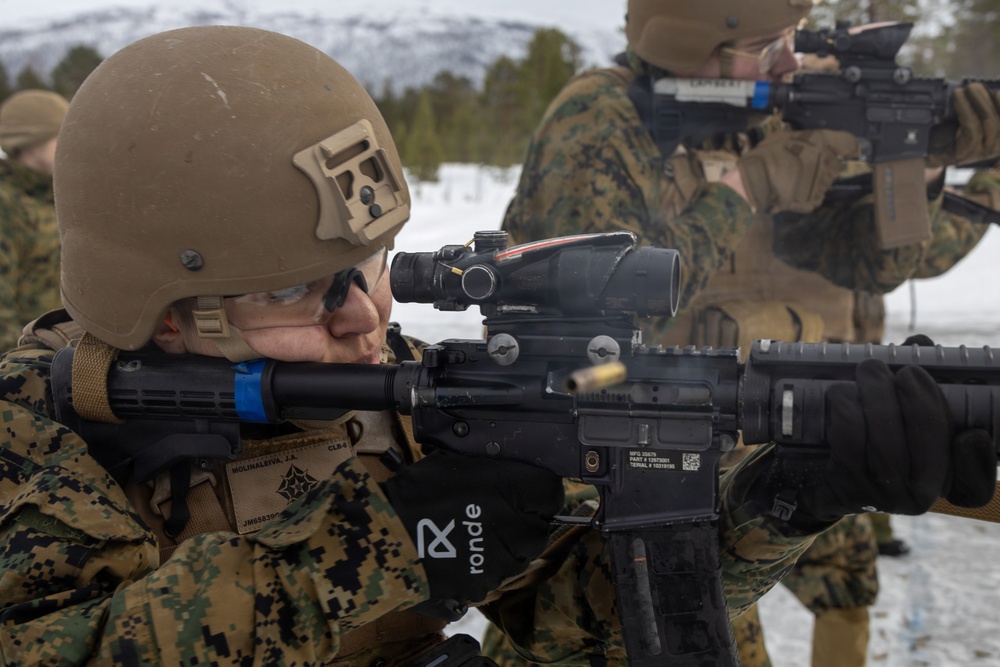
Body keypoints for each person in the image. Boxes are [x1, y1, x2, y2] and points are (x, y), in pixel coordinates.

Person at [0, 24, 994, 667]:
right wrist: (382, 548)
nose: (363, 318)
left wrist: (782, 499)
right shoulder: (34, 437)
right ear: (164, 310)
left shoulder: (396, 401)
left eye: (374, 266)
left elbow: (576, 626)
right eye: (291, 290)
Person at [496, 1, 999, 666]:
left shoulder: (750, 121)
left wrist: (921, 157)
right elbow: (596, 320)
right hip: (598, 474)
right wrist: (743, 190)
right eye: (767, 48)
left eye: (790, 40)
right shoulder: (597, 120)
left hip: (719, 473)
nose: (790, 62)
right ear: (687, 44)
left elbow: (861, 265)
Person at [0, 89, 68, 350]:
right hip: (23, 364)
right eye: (61, 137)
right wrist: (18, 364)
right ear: (33, 144)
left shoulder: (50, 196)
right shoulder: (7, 204)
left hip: (57, 356)